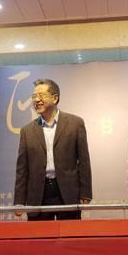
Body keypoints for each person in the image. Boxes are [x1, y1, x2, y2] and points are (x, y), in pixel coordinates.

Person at [14, 79, 92, 220]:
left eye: (41, 95)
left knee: (70, 234)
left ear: (55, 98)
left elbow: (84, 161)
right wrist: (19, 201)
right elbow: (22, 170)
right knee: (39, 234)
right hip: (38, 195)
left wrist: (85, 193)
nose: (36, 100)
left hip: (68, 193)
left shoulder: (75, 124)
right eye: (34, 96)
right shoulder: (27, 131)